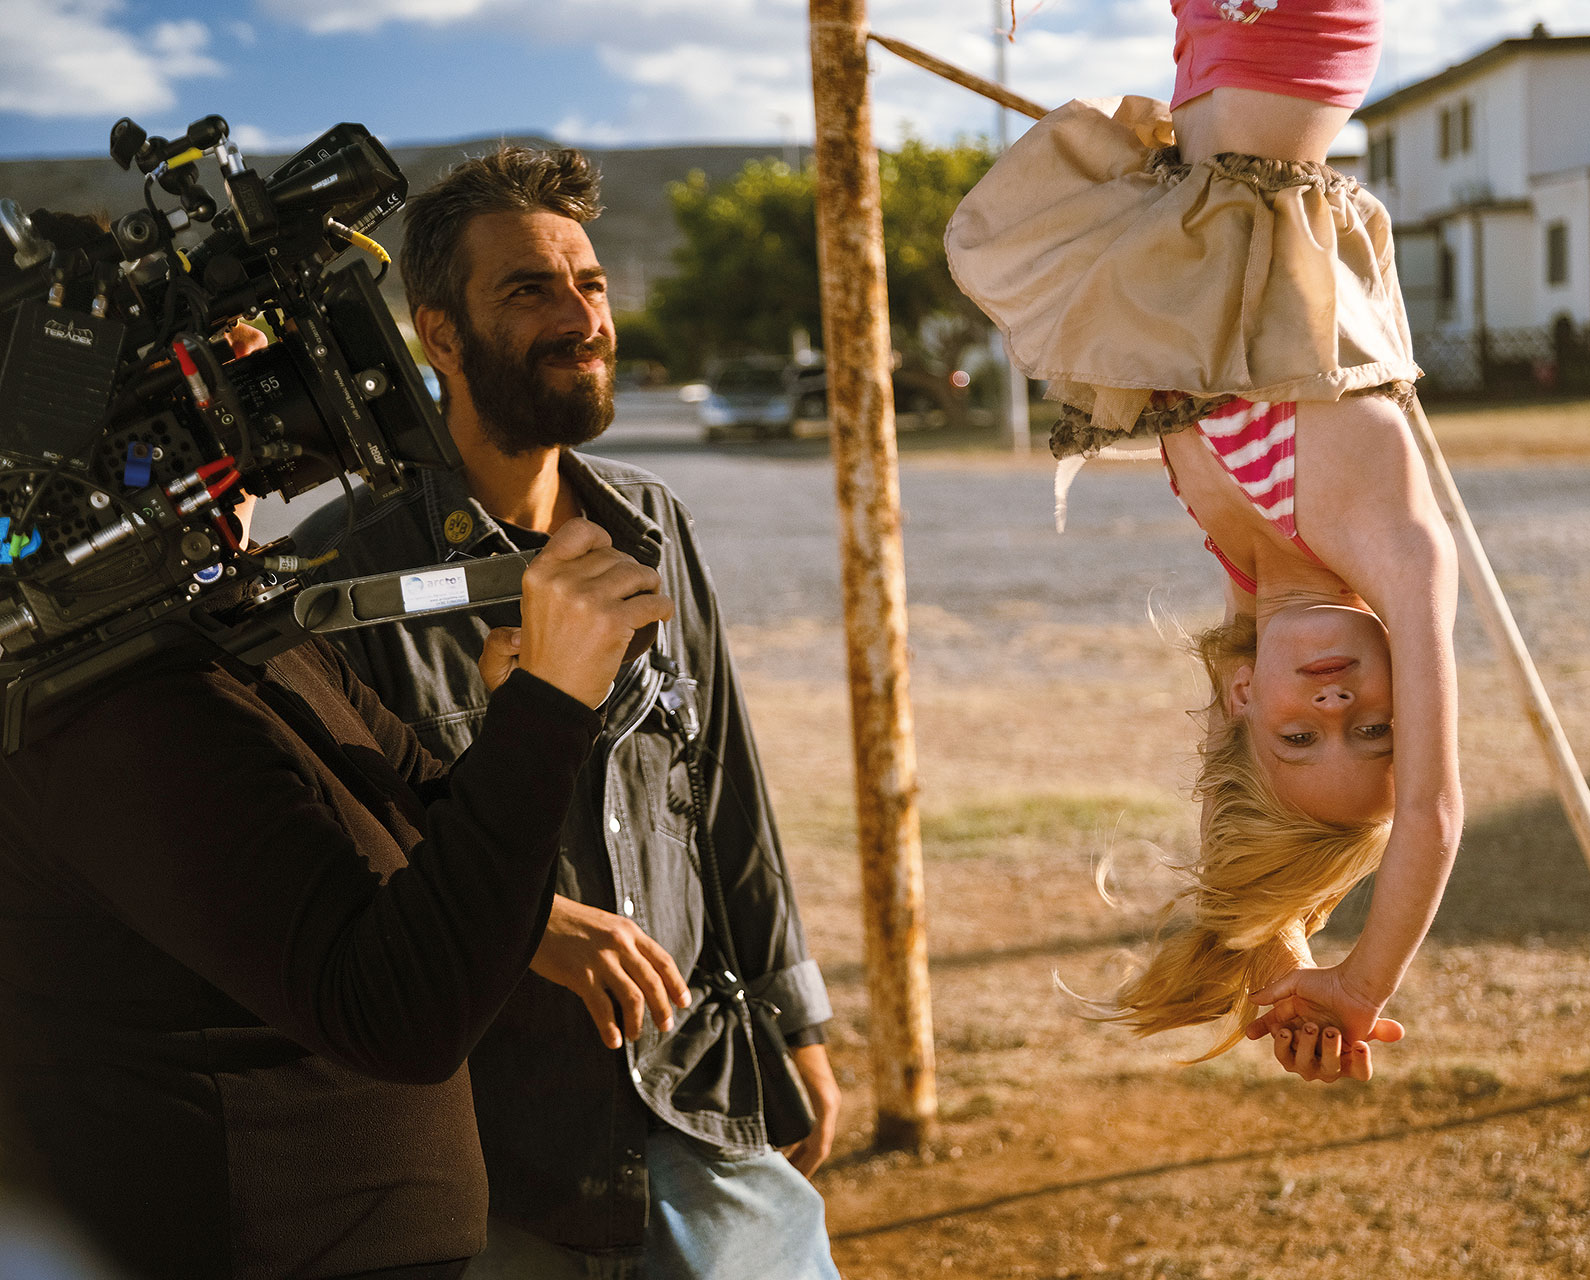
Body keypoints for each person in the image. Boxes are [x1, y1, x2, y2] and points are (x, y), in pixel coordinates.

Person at [0, 299, 671, 1280]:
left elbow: (425, 812)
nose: (262, 458)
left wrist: (531, 724)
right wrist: (546, 704)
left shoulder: (223, 644)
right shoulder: (113, 709)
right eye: (205, 407)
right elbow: (399, 1015)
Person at [294, 145, 841, 1280]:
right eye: (529, 288)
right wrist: (525, 920)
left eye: (589, 283)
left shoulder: (654, 526)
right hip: (489, 1141)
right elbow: (319, 867)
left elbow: (721, 780)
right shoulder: (336, 577)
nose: (581, 315)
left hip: (691, 1090)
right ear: (439, 335)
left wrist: (795, 1020)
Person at [947, 0, 1462, 1081]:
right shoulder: (1398, 553)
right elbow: (1434, 809)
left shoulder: (1249, 571)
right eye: (1376, 727)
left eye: (1300, 739)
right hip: (1291, 38)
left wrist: (1279, 944)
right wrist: (1361, 982)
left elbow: (1241, 818)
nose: (1337, 709)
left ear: (1242, 701)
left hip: (1209, 49)